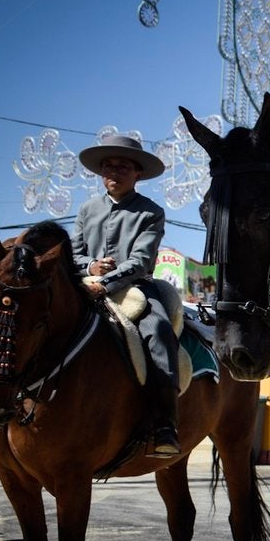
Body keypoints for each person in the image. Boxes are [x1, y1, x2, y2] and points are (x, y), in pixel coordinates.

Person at [73, 134, 181, 457]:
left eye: (122, 166)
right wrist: (91, 266)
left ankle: (165, 422)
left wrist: (105, 281)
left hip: (134, 289)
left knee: (160, 332)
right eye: (108, 166)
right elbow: (73, 254)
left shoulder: (150, 212)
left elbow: (141, 262)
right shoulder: (86, 210)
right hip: (84, 286)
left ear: (137, 174)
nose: (113, 172)